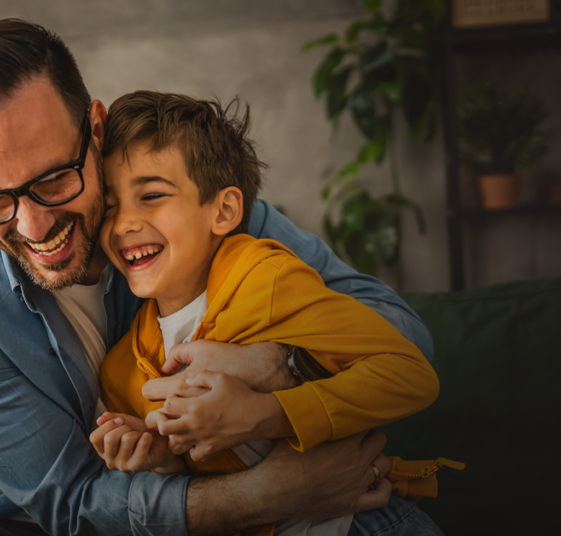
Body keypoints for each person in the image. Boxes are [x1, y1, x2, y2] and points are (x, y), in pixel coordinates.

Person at [0, 18, 436, 536]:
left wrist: (274, 370)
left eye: (53, 179)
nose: (32, 225)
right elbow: (68, 504)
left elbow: (404, 338)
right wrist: (266, 495)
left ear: (94, 128)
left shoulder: (196, 211)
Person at [87, 91, 443, 536]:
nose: (122, 224)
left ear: (225, 210)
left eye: (152, 195)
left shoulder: (265, 278)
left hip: (365, 522)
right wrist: (161, 459)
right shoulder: (123, 370)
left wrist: (269, 411)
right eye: (110, 204)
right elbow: (213, 478)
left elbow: (410, 373)